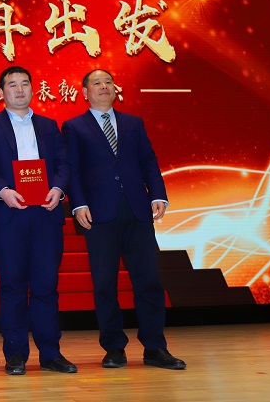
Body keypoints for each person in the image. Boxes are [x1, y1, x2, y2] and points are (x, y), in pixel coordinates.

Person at [61, 69, 185, 370]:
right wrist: (79, 204)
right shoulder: (74, 127)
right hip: (99, 215)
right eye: (97, 83)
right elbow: (72, 169)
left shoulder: (133, 123)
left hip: (137, 211)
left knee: (149, 281)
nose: (104, 86)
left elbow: (148, 161)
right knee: (104, 283)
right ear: (85, 92)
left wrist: (158, 194)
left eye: (108, 82)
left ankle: (155, 348)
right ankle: (114, 347)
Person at [0, 66, 77, 376]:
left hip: (46, 213)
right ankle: (15, 354)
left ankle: (51, 354)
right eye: (12, 85)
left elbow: (64, 164)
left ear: (33, 89)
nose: (19, 89)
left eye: (24, 84)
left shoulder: (49, 125)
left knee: (46, 285)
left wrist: (58, 189)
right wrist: (3, 191)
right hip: (9, 214)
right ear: (1, 92)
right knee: (12, 286)